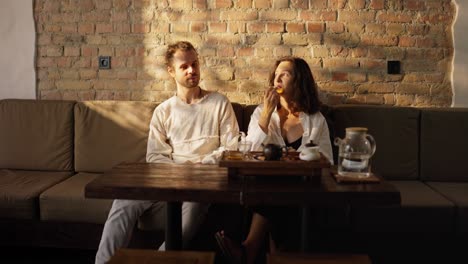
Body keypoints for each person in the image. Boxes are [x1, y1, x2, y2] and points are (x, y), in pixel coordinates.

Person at [95, 41, 239, 264]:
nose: (192, 70)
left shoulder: (219, 103)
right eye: (184, 66)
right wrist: (180, 172)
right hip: (166, 181)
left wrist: (201, 166)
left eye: (195, 63)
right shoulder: (164, 111)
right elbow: (155, 156)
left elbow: (232, 147)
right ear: (171, 71)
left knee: (193, 208)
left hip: (203, 182)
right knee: (123, 201)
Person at [215, 56, 333, 264]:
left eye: (284, 74)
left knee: (280, 189)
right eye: (275, 75)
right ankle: (276, 255)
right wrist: (267, 114)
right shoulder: (261, 113)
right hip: (265, 183)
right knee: (274, 187)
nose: (277, 79)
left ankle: (249, 250)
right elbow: (248, 152)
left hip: (303, 186)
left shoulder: (315, 118)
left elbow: (327, 160)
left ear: (299, 81)